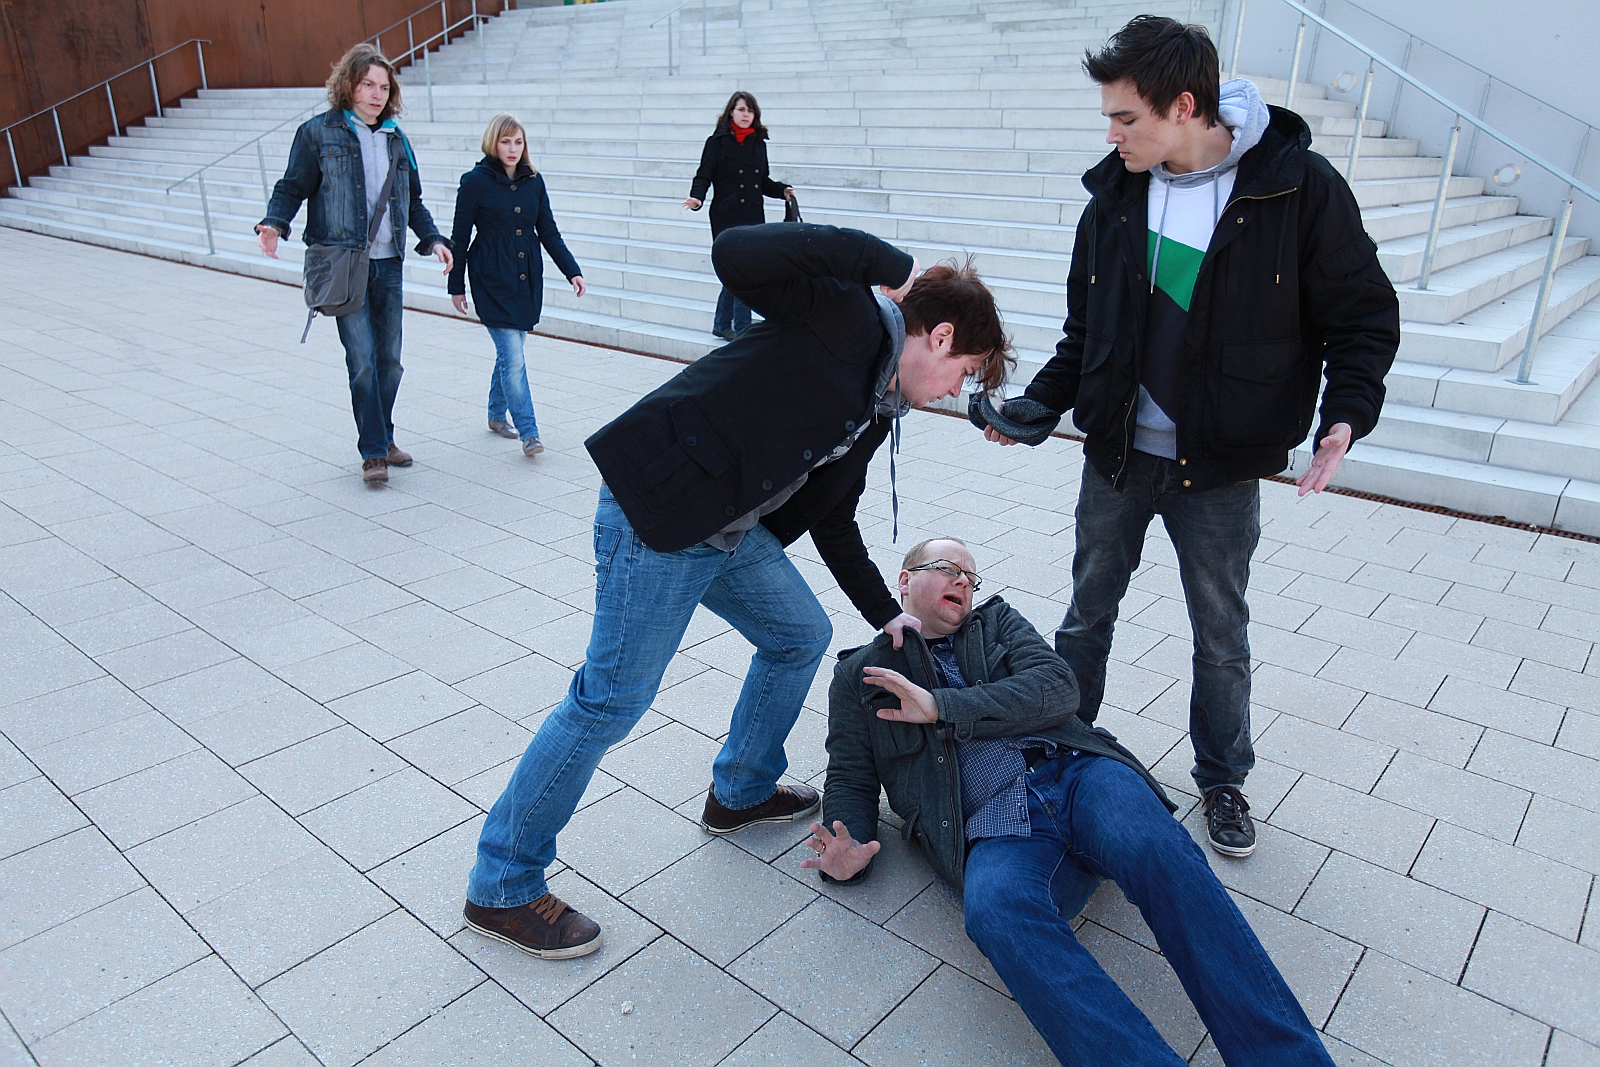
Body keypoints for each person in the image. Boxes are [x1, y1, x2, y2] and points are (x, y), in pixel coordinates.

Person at [463, 223, 1013, 960]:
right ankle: (501, 881)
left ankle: (742, 789)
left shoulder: (877, 402)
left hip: (724, 528)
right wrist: (887, 263)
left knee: (799, 635)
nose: (955, 391)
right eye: (965, 372)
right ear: (941, 337)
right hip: (660, 514)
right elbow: (738, 255)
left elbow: (834, 517)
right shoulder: (849, 319)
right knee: (609, 700)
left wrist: (888, 613)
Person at [977, 16, 1399, 856]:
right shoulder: (1115, 197)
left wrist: (1344, 415)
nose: (1111, 135)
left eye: (1125, 118)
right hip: (1118, 459)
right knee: (1084, 617)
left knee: (1220, 633)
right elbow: (1083, 332)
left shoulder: (1297, 187)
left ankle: (1223, 779)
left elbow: (1361, 315)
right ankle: (1065, 749)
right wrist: (1036, 409)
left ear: (1183, 105)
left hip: (1222, 469)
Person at [806, 537, 1337, 1067]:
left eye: (971, 575)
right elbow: (850, 772)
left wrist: (942, 706)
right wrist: (847, 843)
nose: (963, 582)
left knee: (1160, 853)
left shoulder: (999, 623)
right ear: (904, 581)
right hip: (994, 827)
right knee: (994, 912)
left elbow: (1059, 690)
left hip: (1080, 777)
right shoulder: (859, 676)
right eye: (946, 568)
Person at [257, 43, 454, 484]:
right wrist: (274, 223)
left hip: (389, 265)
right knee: (362, 359)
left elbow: (413, 199)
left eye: (383, 87)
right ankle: (373, 453)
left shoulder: (397, 139)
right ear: (349, 85)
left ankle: (383, 435)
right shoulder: (317, 133)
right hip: (345, 265)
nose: (376, 93)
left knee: (391, 361)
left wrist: (434, 239)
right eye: (368, 84)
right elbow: (292, 186)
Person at [448, 113, 586, 457]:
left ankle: (496, 415)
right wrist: (456, 285)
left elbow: (548, 231)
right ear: (493, 143)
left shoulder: (534, 181)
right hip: (491, 277)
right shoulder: (474, 182)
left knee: (510, 355)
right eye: (506, 141)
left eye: (518, 142)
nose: (512, 148)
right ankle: (530, 432)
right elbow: (460, 236)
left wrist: (572, 271)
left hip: (526, 277)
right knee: (513, 357)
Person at [682, 91, 796, 340]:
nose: (746, 115)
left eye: (750, 110)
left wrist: (782, 190)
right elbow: (704, 174)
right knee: (741, 270)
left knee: (742, 270)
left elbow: (762, 181)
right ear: (731, 112)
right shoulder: (717, 142)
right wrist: (697, 198)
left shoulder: (758, 143)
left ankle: (723, 323)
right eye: (741, 109)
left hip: (752, 214)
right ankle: (742, 326)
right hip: (726, 214)